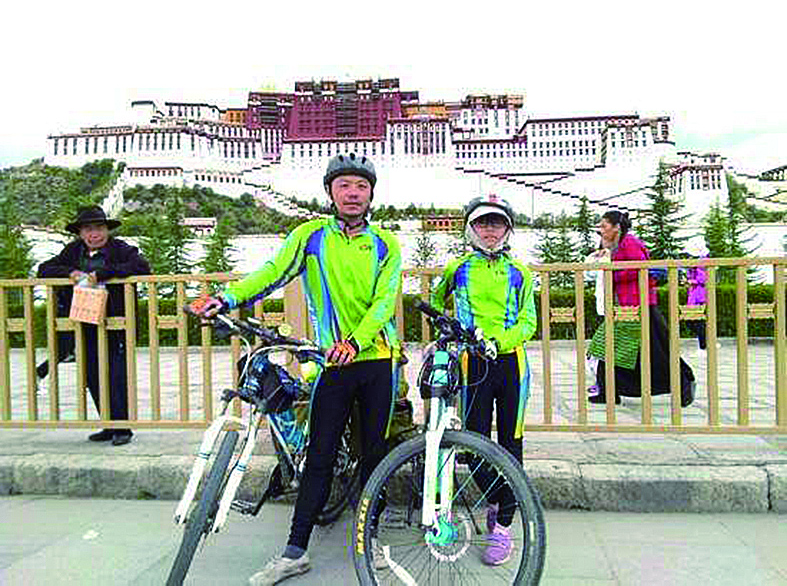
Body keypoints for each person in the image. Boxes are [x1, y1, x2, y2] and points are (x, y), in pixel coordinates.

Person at [192, 153, 401, 586]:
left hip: (376, 361)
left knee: (374, 456)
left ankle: (372, 538)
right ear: (330, 192)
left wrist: (356, 342)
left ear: (371, 194)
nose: (353, 193)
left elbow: (384, 303)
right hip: (331, 362)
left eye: (361, 186)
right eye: (344, 185)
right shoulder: (310, 236)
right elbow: (272, 273)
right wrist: (227, 299)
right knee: (319, 455)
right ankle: (295, 551)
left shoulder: (385, 244)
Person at [431, 193, 537, 566]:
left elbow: (528, 321)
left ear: (508, 229)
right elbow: (436, 304)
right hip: (471, 365)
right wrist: (449, 334)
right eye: (482, 222)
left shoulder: (520, 272)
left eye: (497, 222)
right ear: (470, 228)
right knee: (473, 445)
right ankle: (496, 498)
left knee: (511, 446)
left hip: (511, 365)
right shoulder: (457, 268)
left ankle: (504, 526)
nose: (490, 229)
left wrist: (499, 341)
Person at [37, 206, 151, 445]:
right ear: (80, 233)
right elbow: (44, 269)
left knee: (116, 374)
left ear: (107, 230)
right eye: (88, 229)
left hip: (116, 323)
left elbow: (141, 267)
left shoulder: (121, 249)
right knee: (93, 374)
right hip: (85, 322)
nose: (94, 234)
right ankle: (108, 424)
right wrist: (70, 272)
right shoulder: (73, 251)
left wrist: (103, 273)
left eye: (99, 228)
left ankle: (122, 428)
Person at [587, 210, 695, 407]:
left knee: (657, 352)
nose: (600, 230)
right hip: (623, 306)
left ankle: (684, 382)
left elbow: (640, 268)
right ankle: (609, 391)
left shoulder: (630, 243)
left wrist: (611, 271)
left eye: (604, 226)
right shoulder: (615, 245)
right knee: (608, 348)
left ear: (616, 227)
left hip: (639, 305)